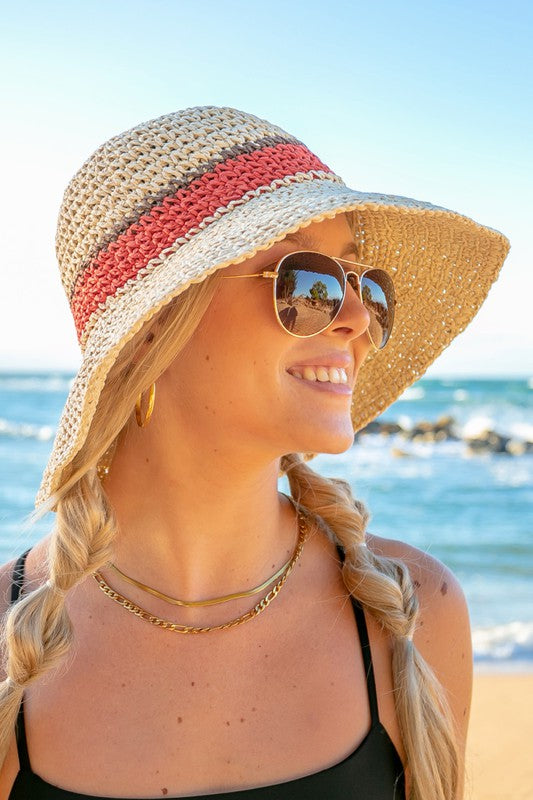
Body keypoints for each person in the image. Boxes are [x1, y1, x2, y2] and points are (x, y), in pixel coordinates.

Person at [0, 106, 509, 800]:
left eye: (366, 285)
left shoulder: (413, 617)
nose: (358, 320)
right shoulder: (9, 652)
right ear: (151, 327)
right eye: (307, 283)